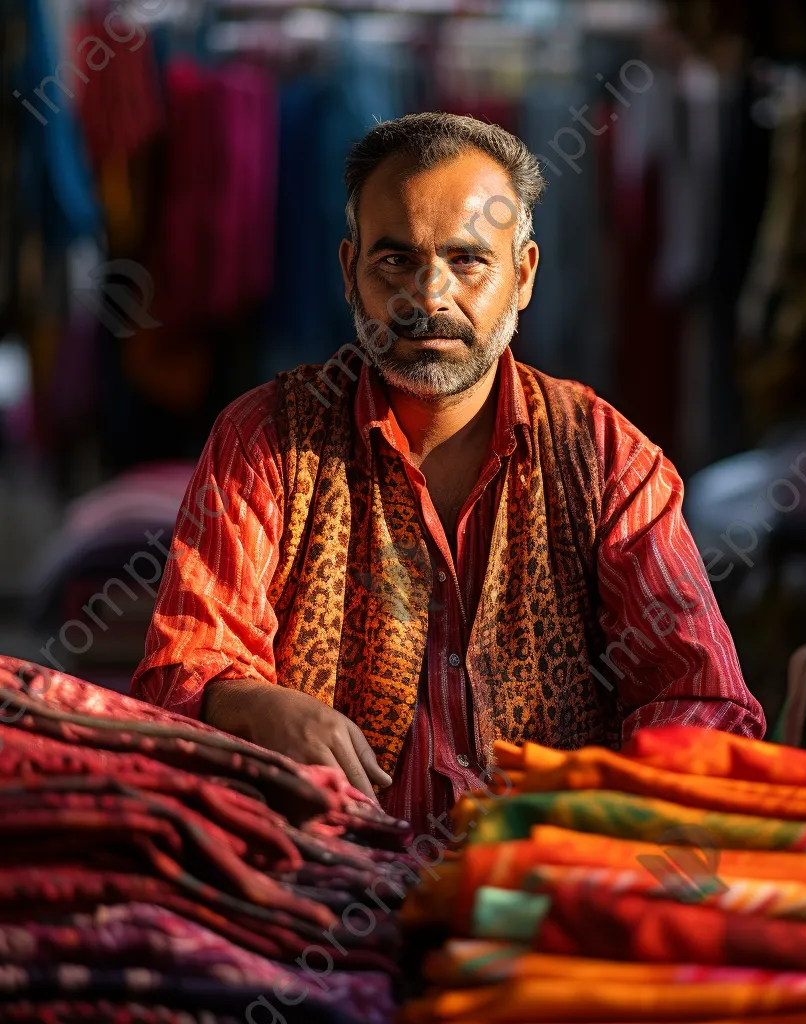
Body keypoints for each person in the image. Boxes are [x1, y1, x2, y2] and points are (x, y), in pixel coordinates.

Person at [131, 112, 764, 834]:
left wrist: (590, 819)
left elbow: (703, 697)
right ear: (349, 272)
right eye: (395, 261)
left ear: (522, 276)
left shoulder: (606, 459)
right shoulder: (266, 440)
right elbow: (181, 665)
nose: (428, 298)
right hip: (318, 881)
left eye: (467, 261)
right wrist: (245, 701)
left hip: (540, 888)